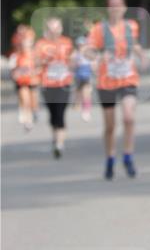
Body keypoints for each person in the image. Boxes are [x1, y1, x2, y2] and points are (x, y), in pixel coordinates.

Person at [85, 0, 144, 180]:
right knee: (110, 125)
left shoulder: (132, 26)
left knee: (128, 117)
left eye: (119, 5)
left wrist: (140, 55)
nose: (116, 8)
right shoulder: (98, 29)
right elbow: (87, 50)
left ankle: (128, 155)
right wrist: (98, 57)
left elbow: (133, 45)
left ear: (125, 8)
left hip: (128, 78)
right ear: (107, 9)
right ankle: (110, 158)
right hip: (107, 81)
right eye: (112, 5)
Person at [34, 17, 74, 158]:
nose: (54, 31)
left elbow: (72, 61)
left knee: (61, 113)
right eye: (51, 29)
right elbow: (36, 62)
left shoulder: (66, 42)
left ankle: (59, 144)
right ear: (47, 30)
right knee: (53, 115)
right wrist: (46, 59)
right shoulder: (41, 44)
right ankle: (55, 138)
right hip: (48, 84)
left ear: (61, 29)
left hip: (64, 83)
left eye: (57, 28)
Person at [10, 26, 39, 130]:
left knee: (33, 101)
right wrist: (16, 73)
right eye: (24, 44)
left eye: (28, 43)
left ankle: (34, 111)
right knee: (25, 100)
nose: (25, 46)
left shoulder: (34, 55)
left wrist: (35, 72)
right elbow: (12, 70)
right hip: (22, 82)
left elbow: (39, 68)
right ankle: (28, 120)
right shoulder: (16, 55)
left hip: (33, 81)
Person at [72, 34, 94, 121]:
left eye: (83, 44)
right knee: (78, 92)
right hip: (78, 76)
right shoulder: (75, 53)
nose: (81, 46)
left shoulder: (88, 53)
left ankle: (86, 110)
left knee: (86, 93)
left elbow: (93, 60)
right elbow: (72, 64)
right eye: (80, 45)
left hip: (86, 76)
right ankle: (77, 104)